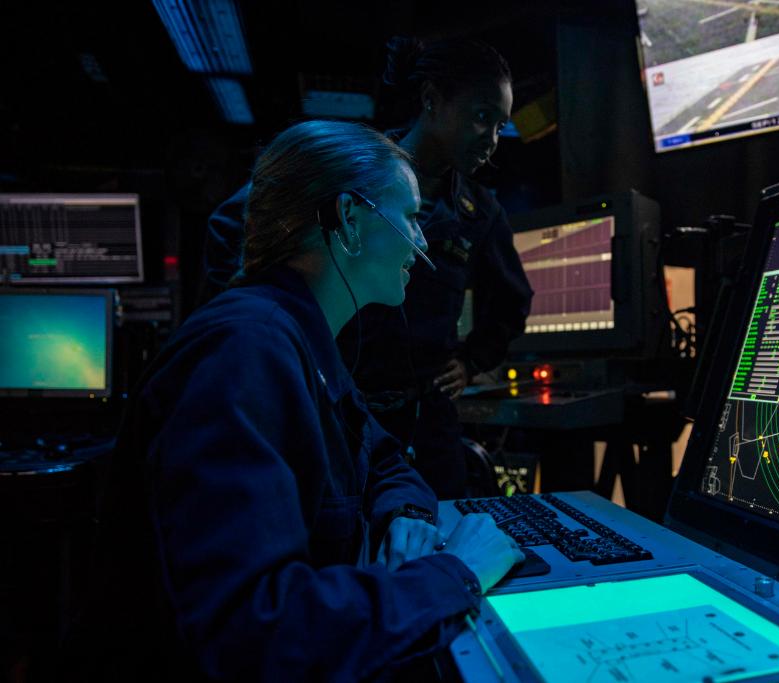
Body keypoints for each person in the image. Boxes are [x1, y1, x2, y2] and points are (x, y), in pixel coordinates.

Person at [73, 120, 523, 682]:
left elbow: (382, 457)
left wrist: (403, 514)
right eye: (409, 217)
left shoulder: (299, 339)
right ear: (349, 220)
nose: (424, 241)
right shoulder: (242, 354)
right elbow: (258, 631)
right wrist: (456, 572)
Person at [203, 37, 534, 499]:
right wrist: (269, 341)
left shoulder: (480, 211)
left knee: (432, 527)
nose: (492, 140)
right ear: (432, 101)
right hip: (338, 399)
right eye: (482, 117)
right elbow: (230, 225)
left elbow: (513, 302)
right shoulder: (354, 165)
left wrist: (472, 361)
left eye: (501, 126)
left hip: (423, 415)